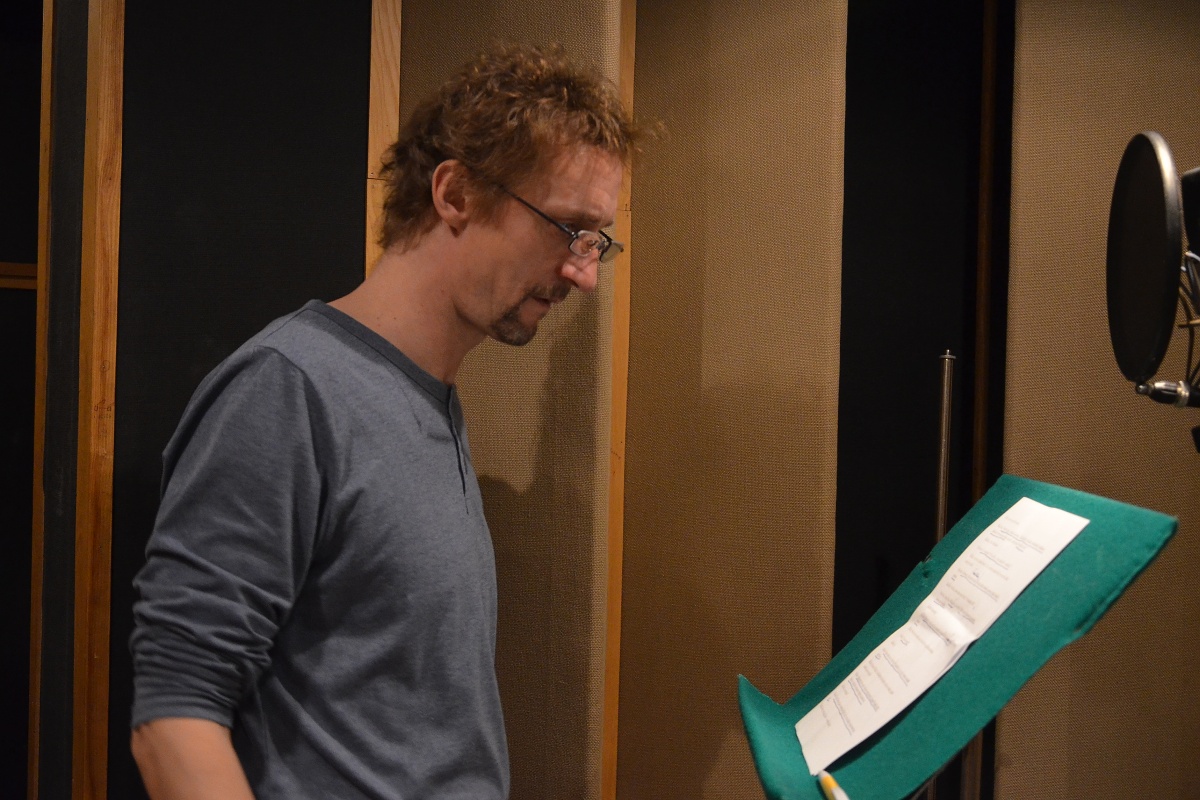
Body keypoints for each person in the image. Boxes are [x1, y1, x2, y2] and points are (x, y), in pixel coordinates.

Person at [129, 42, 640, 799]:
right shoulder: (289, 390)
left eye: (598, 243)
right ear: (455, 194)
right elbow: (175, 715)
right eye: (566, 229)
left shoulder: (427, 398)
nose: (584, 273)